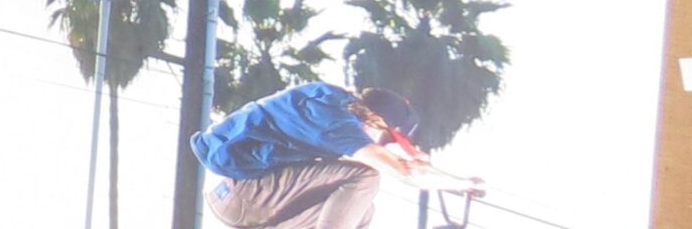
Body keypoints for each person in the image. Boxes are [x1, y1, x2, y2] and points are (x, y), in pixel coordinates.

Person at [191, 82, 484, 228]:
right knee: (365, 176)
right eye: (380, 137)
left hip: (239, 196)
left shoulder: (331, 103)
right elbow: (402, 173)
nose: (376, 143)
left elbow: (400, 166)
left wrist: (413, 162)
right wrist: (461, 183)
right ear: (375, 120)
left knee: (361, 210)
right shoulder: (337, 121)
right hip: (241, 191)